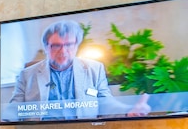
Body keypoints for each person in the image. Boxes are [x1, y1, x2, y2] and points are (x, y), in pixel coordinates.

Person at [9, 19, 150, 120]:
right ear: (46, 47)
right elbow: (13, 110)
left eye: (69, 44)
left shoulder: (95, 69)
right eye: (56, 45)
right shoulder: (27, 74)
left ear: (76, 45)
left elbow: (106, 103)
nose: (63, 51)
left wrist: (129, 111)